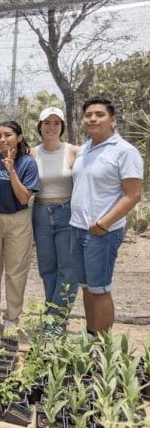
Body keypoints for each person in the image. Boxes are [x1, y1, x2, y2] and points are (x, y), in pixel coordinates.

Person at [70, 97, 143, 334]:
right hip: (78, 228)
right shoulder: (84, 150)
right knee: (87, 288)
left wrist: (103, 223)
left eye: (99, 114)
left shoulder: (124, 152)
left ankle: (102, 348)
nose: (93, 118)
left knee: (100, 289)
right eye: (88, 114)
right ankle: (89, 338)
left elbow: (133, 194)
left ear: (113, 120)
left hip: (102, 233)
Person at [0, 121, 39, 334]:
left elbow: (24, 197)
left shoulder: (28, 164)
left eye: (8, 135)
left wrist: (11, 169)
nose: (3, 139)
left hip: (17, 220)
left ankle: (12, 317)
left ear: (19, 137)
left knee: (15, 271)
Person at [31, 107, 79, 325]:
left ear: (62, 126)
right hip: (40, 212)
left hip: (66, 213)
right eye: (47, 123)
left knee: (68, 269)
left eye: (56, 123)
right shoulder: (32, 153)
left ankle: (56, 320)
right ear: (40, 126)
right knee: (47, 267)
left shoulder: (73, 151)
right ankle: (53, 316)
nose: (51, 127)